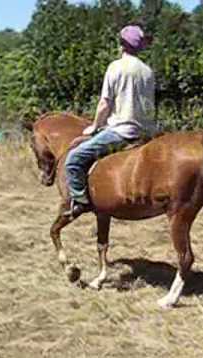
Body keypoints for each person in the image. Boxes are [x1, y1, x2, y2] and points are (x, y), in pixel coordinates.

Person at [64, 25, 157, 218]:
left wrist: (95, 126)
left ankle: (80, 202)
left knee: (73, 160)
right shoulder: (148, 71)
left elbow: (105, 103)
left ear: (121, 45)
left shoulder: (115, 67)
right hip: (147, 132)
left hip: (122, 131)